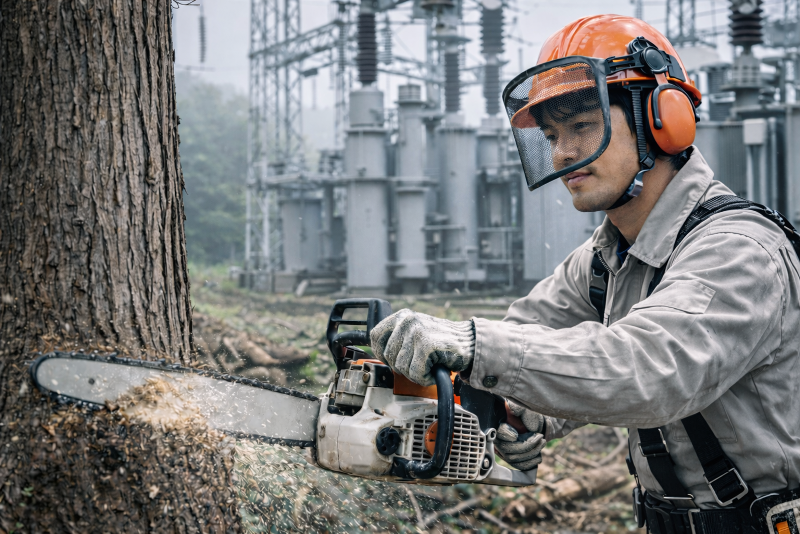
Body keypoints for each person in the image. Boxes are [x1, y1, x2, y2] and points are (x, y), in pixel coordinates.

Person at [370, 15, 800, 534]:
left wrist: (476, 345)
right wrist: (517, 411)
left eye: (582, 126)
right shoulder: (605, 260)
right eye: (551, 135)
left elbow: (648, 370)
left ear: (662, 119)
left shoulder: (738, 250)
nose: (562, 153)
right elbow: (529, 336)